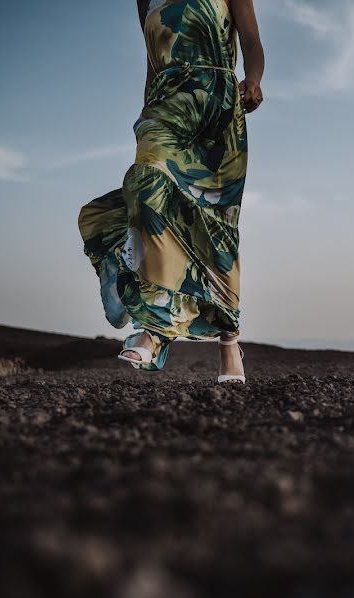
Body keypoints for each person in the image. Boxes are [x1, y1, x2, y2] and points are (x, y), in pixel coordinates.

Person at [78, 0, 264, 383]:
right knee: (147, 189)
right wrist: (146, 110)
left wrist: (254, 78)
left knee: (214, 223)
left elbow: (251, 41)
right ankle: (155, 327)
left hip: (217, 105)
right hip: (164, 105)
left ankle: (229, 342)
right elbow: (152, 62)